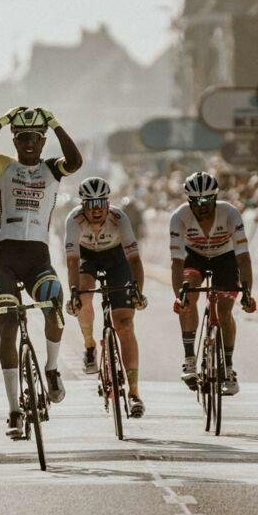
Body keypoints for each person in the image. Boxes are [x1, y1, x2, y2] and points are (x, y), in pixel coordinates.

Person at [0, 106, 82, 440]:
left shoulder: (52, 169)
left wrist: (56, 123)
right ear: (15, 141)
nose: (29, 143)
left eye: (35, 138)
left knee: (54, 304)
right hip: (6, 256)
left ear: (43, 141)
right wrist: (2, 120)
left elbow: (75, 162)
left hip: (38, 258)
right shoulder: (3, 165)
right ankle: (14, 410)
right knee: (7, 327)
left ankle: (52, 368)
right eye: (22, 138)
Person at [63, 176, 148, 417]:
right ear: (83, 206)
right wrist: (73, 293)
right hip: (88, 258)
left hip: (117, 259)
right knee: (85, 295)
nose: (96, 209)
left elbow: (134, 260)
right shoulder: (74, 220)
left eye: (101, 203)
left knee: (125, 325)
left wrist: (137, 292)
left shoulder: (119, 217)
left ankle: (134, 393)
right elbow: (72, 261)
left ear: (108, 203)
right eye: (90, 204)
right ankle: (90, 345)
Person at [168, 170, 256, 395]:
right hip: (194, 256)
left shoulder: (230, 213)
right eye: (196, 201)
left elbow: (243, 257)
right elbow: (177, 263)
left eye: (207, 200)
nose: (202, 205)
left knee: (224, 311)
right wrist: (179, 295)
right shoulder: (179, 217)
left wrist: (247, 292)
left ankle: (228, 368)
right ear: (189, 201)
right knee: (190, 294)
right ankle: (189, 359)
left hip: (225, 258)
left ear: (215, 198)